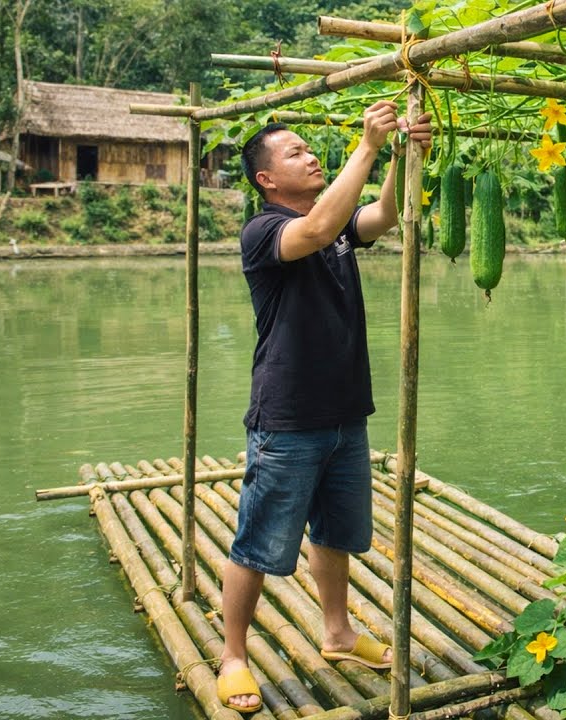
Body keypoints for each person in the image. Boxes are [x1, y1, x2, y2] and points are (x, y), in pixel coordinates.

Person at [217, 101, 432, 713]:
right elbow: (311, 233)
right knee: (257, 544)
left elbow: (386, 214)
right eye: (295, 153)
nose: (311, 155)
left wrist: (400, 154)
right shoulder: (263, 232)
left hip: (345, 414)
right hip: (286, 419)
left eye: (311, 149)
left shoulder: (334, 224)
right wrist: (364, 147)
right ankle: (233, 655)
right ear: (266, 180)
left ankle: (337, 633)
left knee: (335, 534)